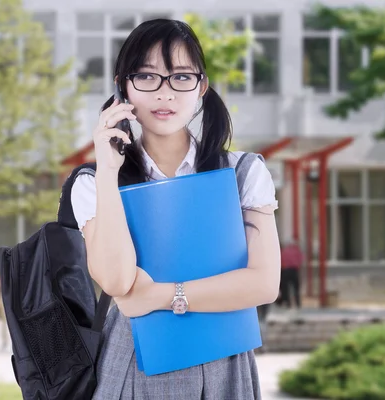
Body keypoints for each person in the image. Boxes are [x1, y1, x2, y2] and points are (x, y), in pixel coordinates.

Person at [70, 19, 281, 400]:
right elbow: (117, 282)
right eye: (147, 77)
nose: (164, 94)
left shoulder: (242, 172)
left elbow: (264, 284)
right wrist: (107, 171)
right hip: (135, 361)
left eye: (180, 77)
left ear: (201, 87)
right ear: (123, 86)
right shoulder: (94, 183)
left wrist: (163, 295)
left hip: (225, 360)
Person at [278, 240, 303, 309]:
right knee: (296, 288)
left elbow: (281, 260)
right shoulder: (297, 251)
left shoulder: (284, 251)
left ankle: (288, 303)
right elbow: (300, 259)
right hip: (294, 270)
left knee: (286, 288)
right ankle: (298, 303)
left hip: (286, 270)